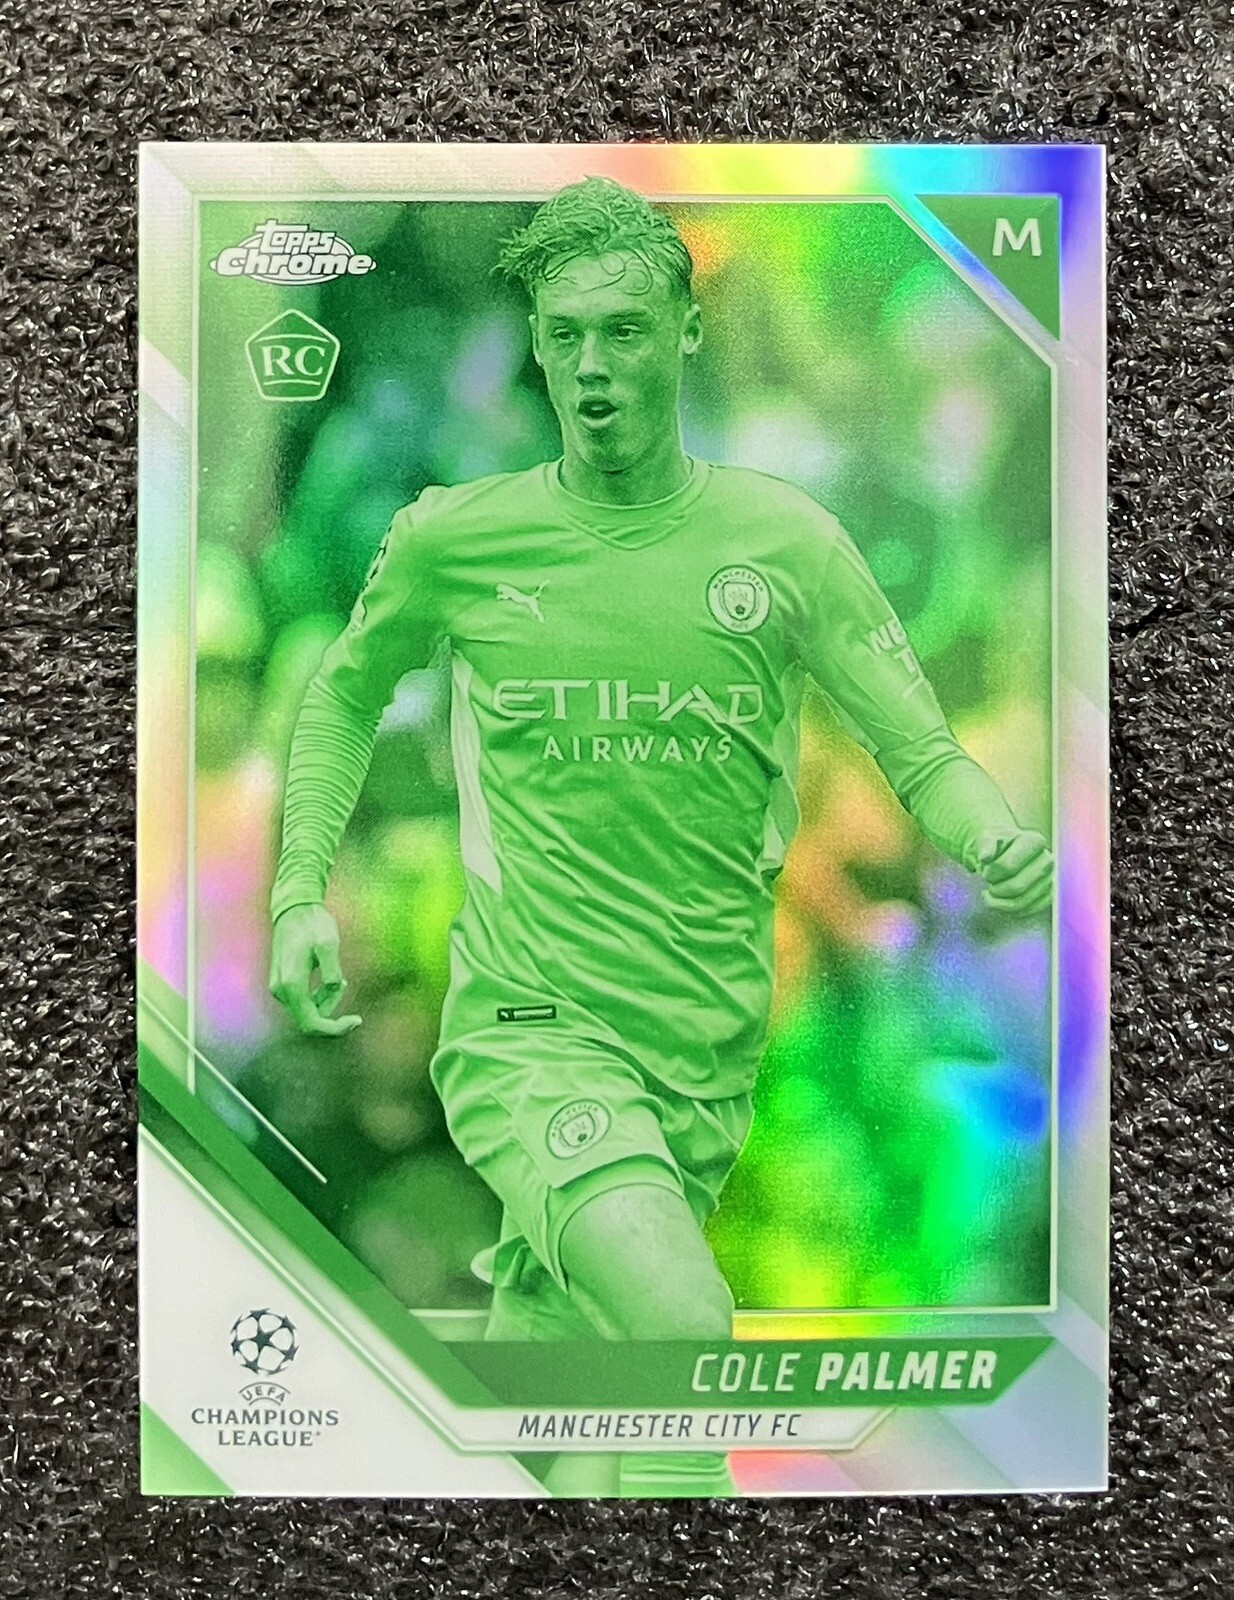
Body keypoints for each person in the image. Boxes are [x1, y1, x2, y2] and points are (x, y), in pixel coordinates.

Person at [268, 177, 1052, 1497]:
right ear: (533, 344)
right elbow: (342, 701)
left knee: (566, 1411)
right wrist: (299, 890)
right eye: (563, 332)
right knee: (685, 1338)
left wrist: (989, 839)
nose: (592, 364)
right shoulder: (455, 538)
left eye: (623, 329)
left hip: (702, 1060)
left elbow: (916, 745)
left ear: (684, 331)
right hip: (533, 1039)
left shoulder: (787, 541)